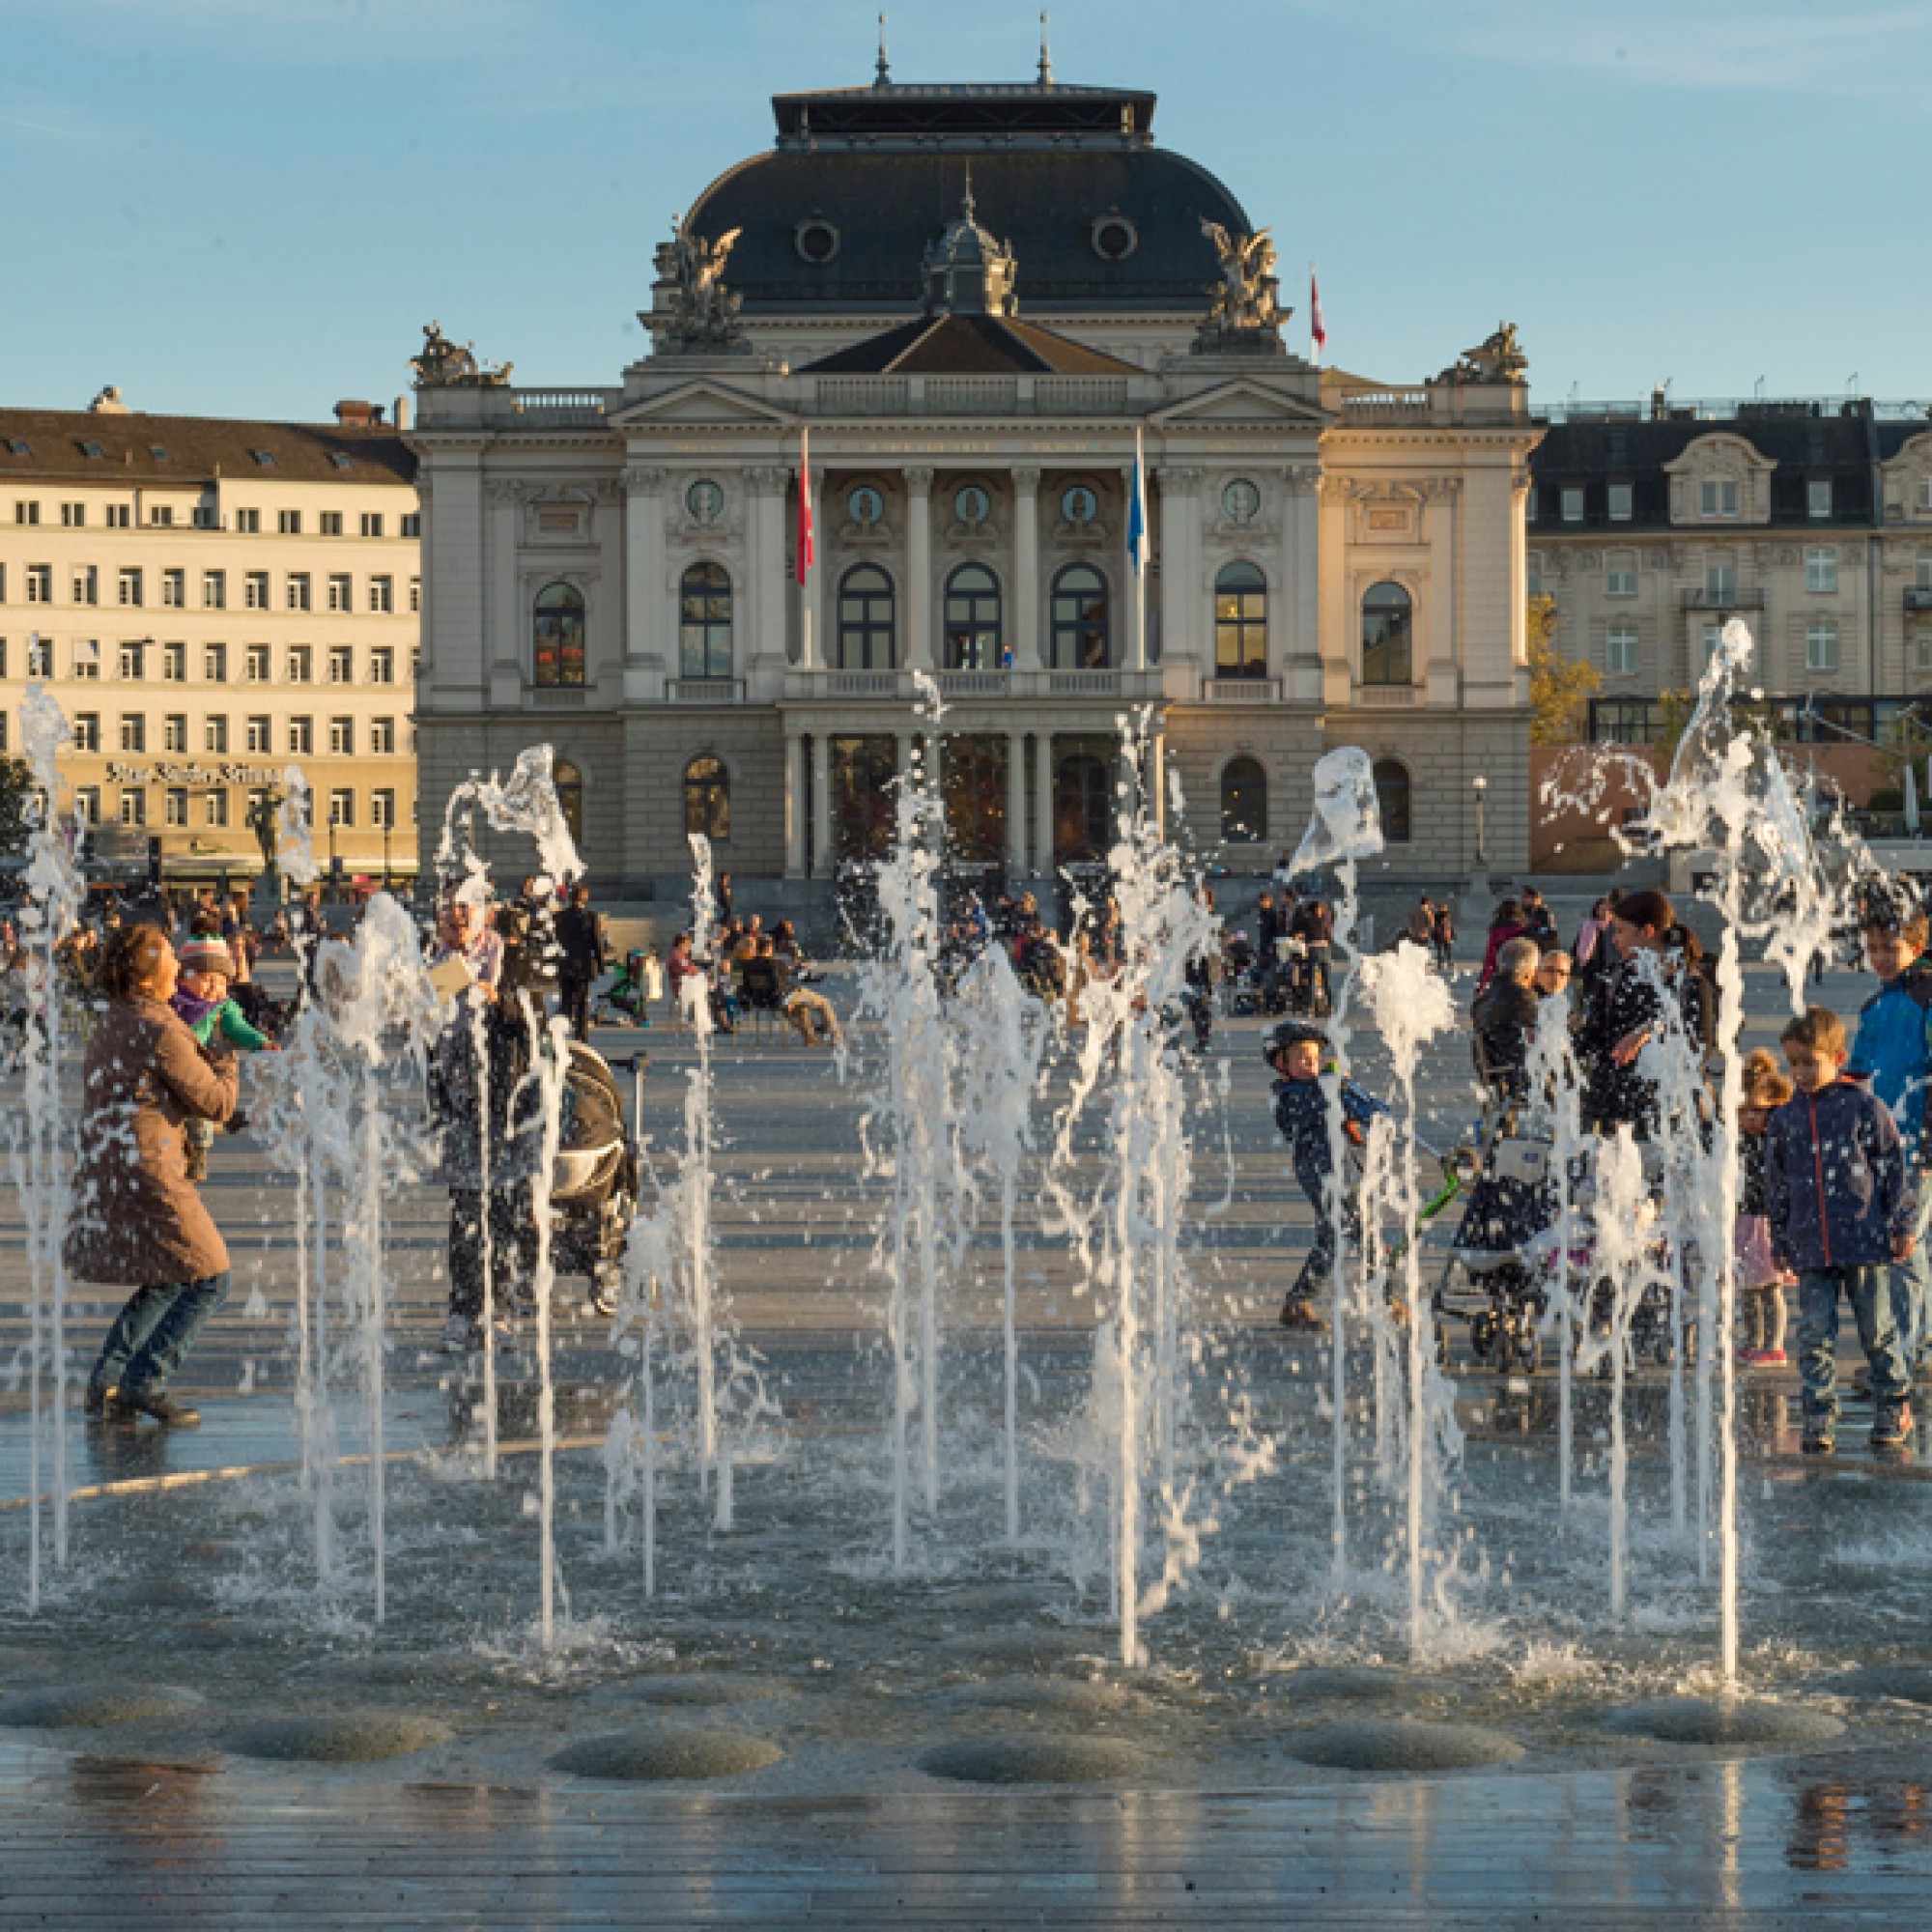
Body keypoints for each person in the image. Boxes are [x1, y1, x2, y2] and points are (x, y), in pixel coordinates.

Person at [70, 921, 239, 1426]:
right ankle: (146, 1380)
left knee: (167, 1276)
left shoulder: (115, 1018)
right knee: (213, 1276)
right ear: (149, 975)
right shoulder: (160, 1026)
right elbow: (215, 1101)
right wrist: (227, 1055)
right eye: (170, 959)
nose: (179, 969)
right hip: (152, 1169)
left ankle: (107, 1383)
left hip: (116, 1163)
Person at [1767, 1006, 1917, 1454]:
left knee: (1877, 1330)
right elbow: (1776, 1185)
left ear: (1838, 1056)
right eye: (1794, 1064)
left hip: (1864, 1239)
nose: (1802, 1073)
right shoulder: (1784, 1119)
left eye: (1811, 1062)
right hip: (1810, 1244)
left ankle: (1893, 1402)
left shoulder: (1864, 1109)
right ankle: (1818, 1413)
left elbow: (1892, 1169)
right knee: (1814, 1333)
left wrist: (1902, 1223)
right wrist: (1780, 1238)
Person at [1846, 898, 1932, 1372]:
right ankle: (1918, 1346)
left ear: (1917, 947)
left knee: (1903, 1247)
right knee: (1910, 1247)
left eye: (1890, 948)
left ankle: (1903, 1350)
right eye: (1873, 948)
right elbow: (1858, 1074)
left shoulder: (1927, 997)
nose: (1879, 958)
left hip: (1918, 1143)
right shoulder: (1874, 1005)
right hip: (1884, 1145)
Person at [1266, 1020, 1382, 1331]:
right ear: (1282, 1063)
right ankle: (1386, 1297)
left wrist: (1362, 1114)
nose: (1312, 1065)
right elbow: (1312, 1109)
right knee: (1358, 1231)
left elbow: (1346, 1111)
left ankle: (1297, 1301)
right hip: (1317, 1171)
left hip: (1340, 1168)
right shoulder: (1287, 1096)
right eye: (1303, 1059)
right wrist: (1331, 1089)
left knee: (1333, 1238)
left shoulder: (1319, 1087)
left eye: (1315, 1059)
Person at [1577, 889, 1697, 1138]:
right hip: (1612, 1111)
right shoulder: (1613, 978)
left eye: (1620, 931)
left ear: (1647, 931)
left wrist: (1650, 1030)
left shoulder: (1687, 982)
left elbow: (1698, 1043)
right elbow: (1592, 1036)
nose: (1613, 940)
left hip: (1667, 1112)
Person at [169, 936, 275, 1183]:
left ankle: (198, 1151)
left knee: (201, 1109)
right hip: (171, 1066)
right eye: (206, 980)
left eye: (220, 982)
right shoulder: (170, 1001)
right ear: (184, 977)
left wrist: (261, 1042)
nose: (213, 988)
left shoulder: (221, 1006)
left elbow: (238, 1027)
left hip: (200, 1067)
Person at [1736, 1048, 1795, 1369]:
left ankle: (1774, 1344)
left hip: (1769, 1222)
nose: (1748, 1118)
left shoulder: (1778, 1138)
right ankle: (1752, 1340)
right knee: (1747, 1287)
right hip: (1744, 1220)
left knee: (1771, 1288)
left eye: (1755, 1112)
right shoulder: (1738, 1140)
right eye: (1743, 1111)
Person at [1472, 936, 1541, 1097]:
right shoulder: (1524, 999)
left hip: (1494, 1072)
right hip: (1520, 1077)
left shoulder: (1483, 1000)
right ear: (1529, 972)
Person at [554, 881, 608, 1040]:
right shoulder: (590, 917)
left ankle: (560, 1036)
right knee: (582, 1002)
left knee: (566, 1002)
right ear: (585, 897)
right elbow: (596, 941)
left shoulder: (560, 916)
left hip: (565, 964)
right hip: (583, 965)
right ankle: (581, 1036)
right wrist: (601, 964)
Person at [1476, 899, 1529, 996]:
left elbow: (1490, 958)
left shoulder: (1496, 931)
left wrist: (1483, 983)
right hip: (1520, 974)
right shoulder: (1523, 931)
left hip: (1500, 974)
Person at [1431, 899, 1456, 973]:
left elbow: (1448, 926)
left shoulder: (1443, 916)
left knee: (1443, 951)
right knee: (1446, 950)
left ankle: (1442, 963)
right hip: (1444, 936)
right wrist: (1452, 934)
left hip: (1441, 936)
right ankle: (1446, 963)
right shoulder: (1445, 916)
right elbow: (1448, 927)